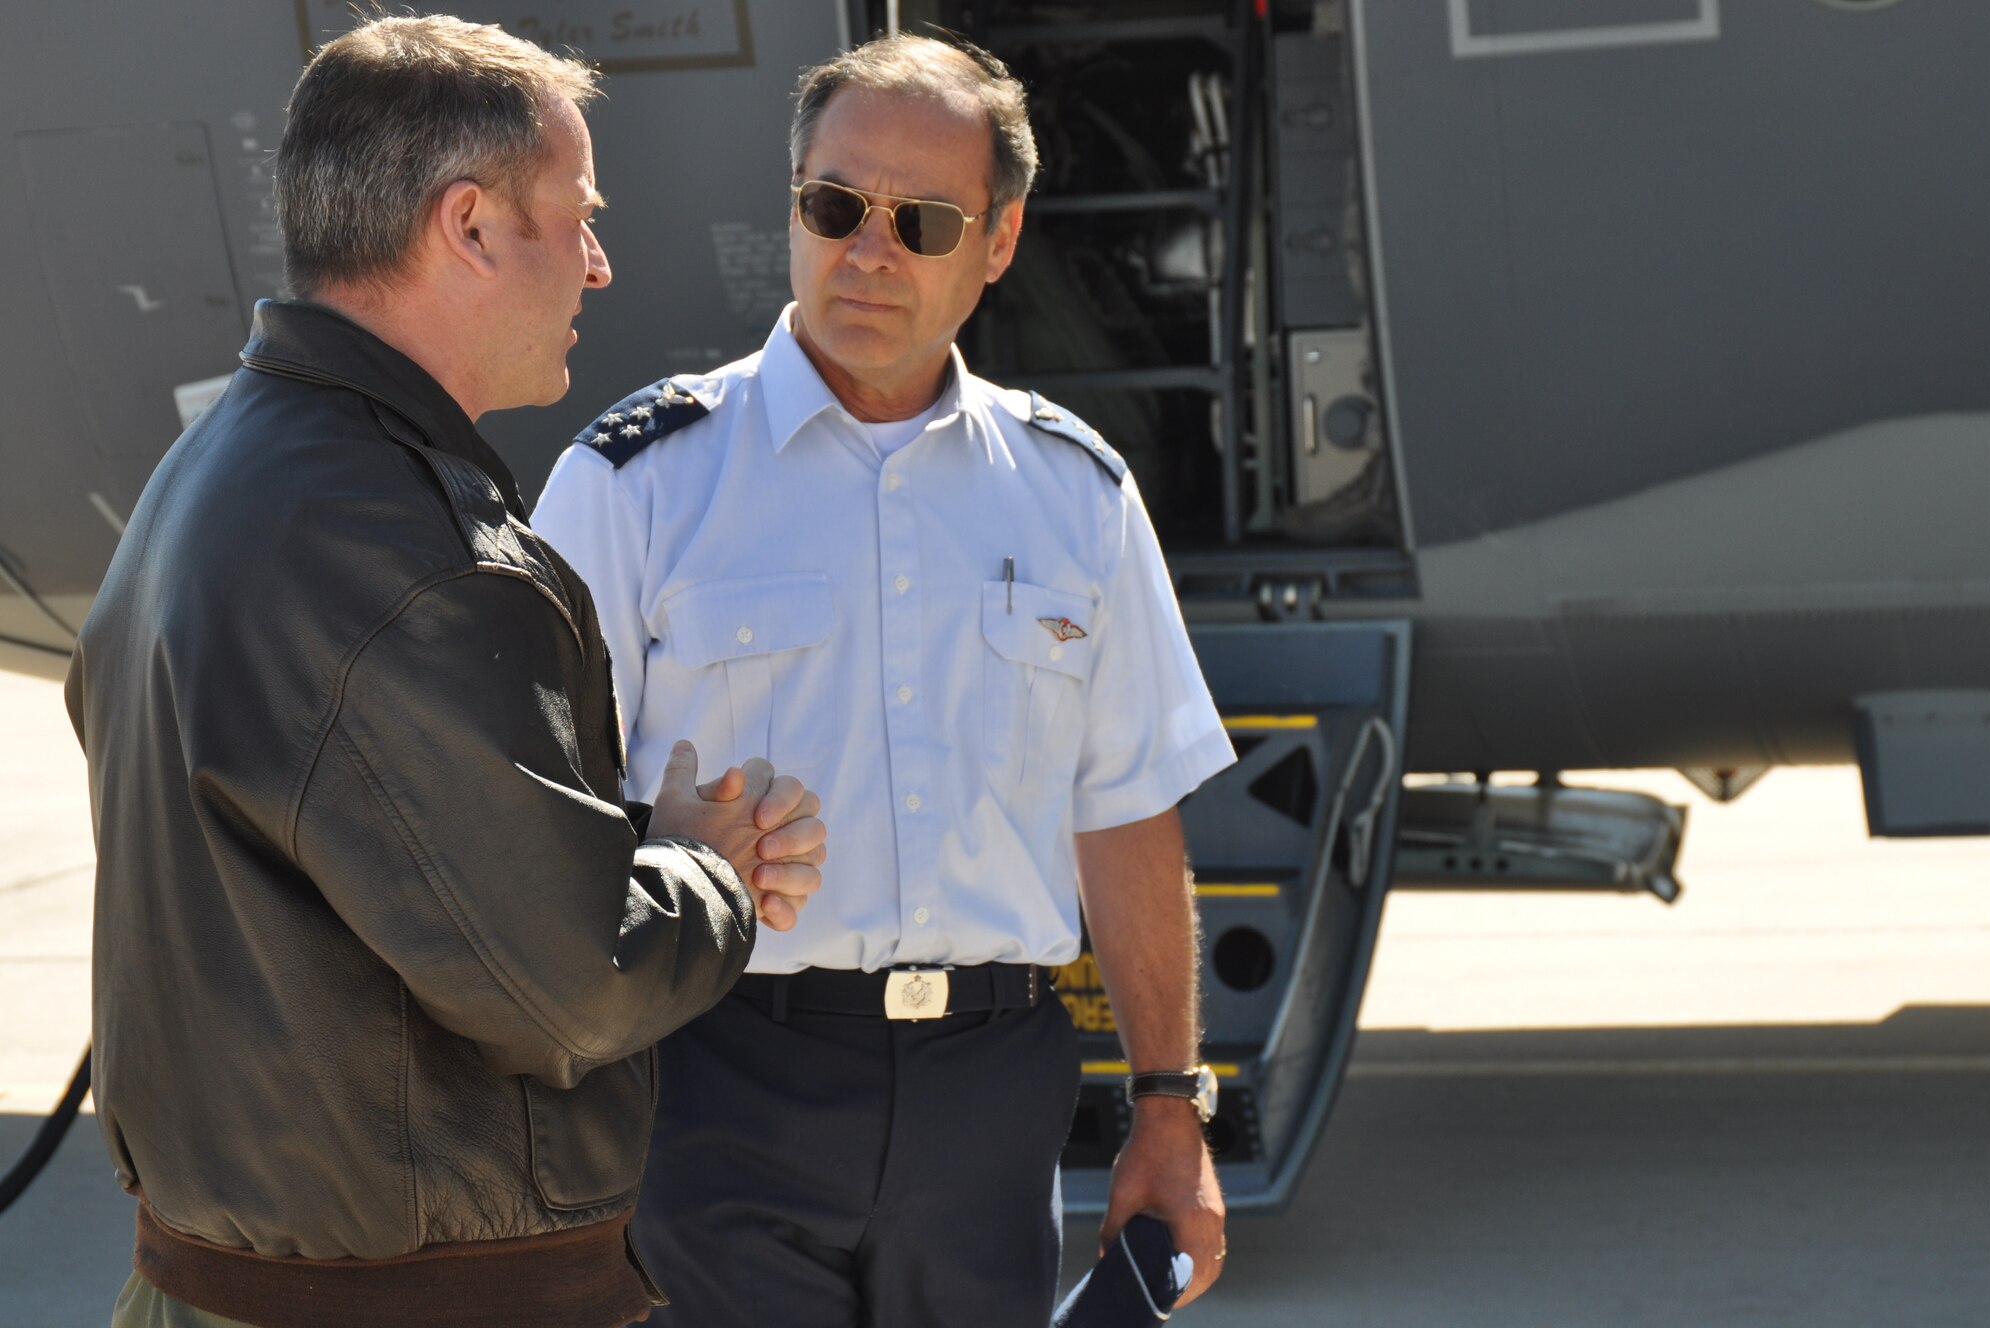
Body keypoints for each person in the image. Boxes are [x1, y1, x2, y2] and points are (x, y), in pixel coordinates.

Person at [64, 17, 824, 1328]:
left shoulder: (215, 472)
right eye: (572, 217)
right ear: (468, 228)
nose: (596, 264)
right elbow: (570, 985)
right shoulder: (402, 553)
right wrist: (706, 867)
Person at [533, 32, 1233, 1326]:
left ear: (1000, 240)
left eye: (922, 221)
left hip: (990, 1093)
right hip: (719, 1066)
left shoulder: (1073, 490)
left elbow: (1127, 806)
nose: (869, 250)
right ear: (792, 200)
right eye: (835, 206)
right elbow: (522, 816)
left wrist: (1170, 1107)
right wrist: (657, 850)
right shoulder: (635, 483)